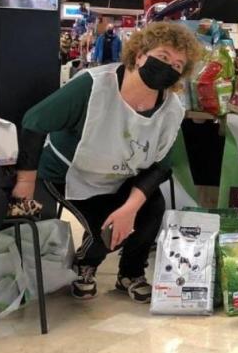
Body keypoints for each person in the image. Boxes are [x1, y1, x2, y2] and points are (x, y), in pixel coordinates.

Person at [13, 22, 202, 303]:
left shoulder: (171, 109)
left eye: (177, 65)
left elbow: (161, 165)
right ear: (139, 54)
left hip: (120, 178)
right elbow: (34, 121)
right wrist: (25, 182)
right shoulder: (93, 86)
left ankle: (131, 273)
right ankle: (85, 267)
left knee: (152, 209)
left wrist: (130, 208)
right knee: (99, 230)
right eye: (163, 57)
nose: (169, 67)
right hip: (67, 175)